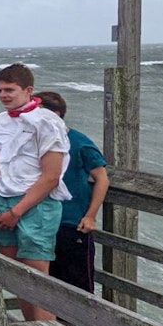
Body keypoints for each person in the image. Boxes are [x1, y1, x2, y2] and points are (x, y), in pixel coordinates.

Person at [0, 63, 70, 324]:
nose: (3, 95)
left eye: (9, 90)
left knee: (38, 284)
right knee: (18, 280)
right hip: (2, 201)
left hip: (37, 206)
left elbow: (51, 177)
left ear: (28, 90)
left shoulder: (48, 123)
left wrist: (16, 212)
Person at [37, 91, 110, 295]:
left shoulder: (79, 142)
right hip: (42, 222)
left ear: (57, 115)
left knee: (78, 288)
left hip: (73, 225)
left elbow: (102, 179)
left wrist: (90, 216)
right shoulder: (35, 142)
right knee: (46, 285)